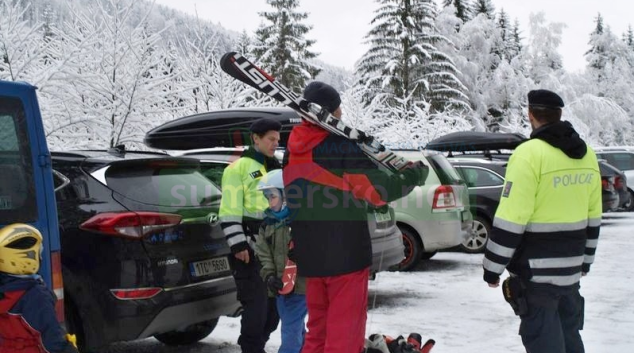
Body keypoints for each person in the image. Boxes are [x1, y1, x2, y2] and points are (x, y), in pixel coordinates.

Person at [282, 81, 429, 353]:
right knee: (344, 337)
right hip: (345, 256)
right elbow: (377, 191)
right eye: (338, 110)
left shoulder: (291, 152)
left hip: (311, 256)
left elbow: (321, 193)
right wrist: (414, 175)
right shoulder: (339, 147)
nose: (341, 115)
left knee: (317, 333)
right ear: (331, 112)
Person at [482, 89, 602, 353]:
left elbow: (512, 218)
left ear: (531, 115)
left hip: (536, 276)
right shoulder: (587, 155)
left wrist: (493, 268)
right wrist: (586, 262)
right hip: (570, 273)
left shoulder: (529, 155)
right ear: (559, 115)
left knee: (544, 342)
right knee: (570, 340)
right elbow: (594, 216)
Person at [219, 118, 283, 353]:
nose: (276, 143)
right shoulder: (238, 168)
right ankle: (251, 349)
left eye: (277, 139)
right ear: (256, 138)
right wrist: (238, 245)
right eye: (271, 139)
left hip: (277, 251)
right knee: (257, 309)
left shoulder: (277, 167)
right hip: (250, 248)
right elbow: (229, 210)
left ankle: (257, 346)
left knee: (274, 313)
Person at [0, 223, 79, 353]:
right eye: (37, 253)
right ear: (25, 259)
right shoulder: (35, 296)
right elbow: (51, 339)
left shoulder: (5, 289)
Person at [254, 169, 307, 353]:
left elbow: (320, 246)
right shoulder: (267, 224)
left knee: (290, 331)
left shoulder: (302, 221)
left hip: (301, 287)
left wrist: (304, 253)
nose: (270, 202)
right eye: (267, 197)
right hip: (280, 288)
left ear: (286, 196)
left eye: (273, 196)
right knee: (295, 328)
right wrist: (269, 276)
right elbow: (263, 254)